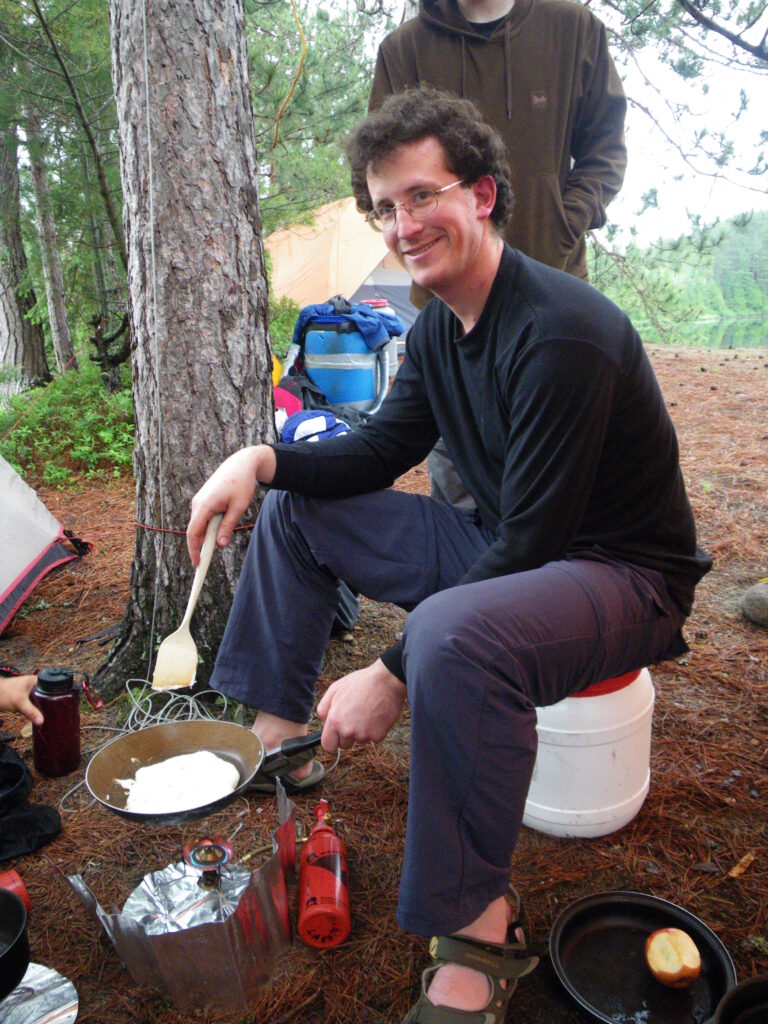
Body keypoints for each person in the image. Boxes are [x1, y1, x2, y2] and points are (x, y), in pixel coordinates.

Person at [187, 88, 710, 1022]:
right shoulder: (435, 329)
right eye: (385, 206)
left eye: (422, 195)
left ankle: (476, 934)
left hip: (620, 574)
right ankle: (284, 745)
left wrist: (390, 673)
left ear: (482, 194)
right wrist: (262, 459)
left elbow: (538, 540)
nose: (403, 224)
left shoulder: (563, 332)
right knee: (302, 508)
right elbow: (380, 452)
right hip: (508, 544)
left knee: (451, 637)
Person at [370, 0, 628, 507]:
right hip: (452, 316)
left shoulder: (574, 30)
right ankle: (468, 584)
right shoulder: (405, 50)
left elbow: (606, 148)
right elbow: (381, 169)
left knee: (564, 495)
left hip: (553, 299)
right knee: (463, 490)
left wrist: (564, 219)